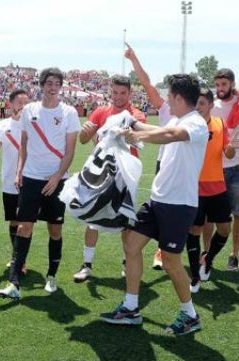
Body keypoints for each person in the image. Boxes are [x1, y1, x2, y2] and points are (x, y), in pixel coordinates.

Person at [101, 74, 208, 336]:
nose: (167, 100)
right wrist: (133, 123)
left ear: (180, 98)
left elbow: (170, 135)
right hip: (158, 200)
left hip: (178, 205)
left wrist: (136, 134)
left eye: (170, 96)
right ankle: (130, 307)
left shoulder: (195, 123)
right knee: (131, 243)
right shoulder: (177, 118)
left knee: (171, 262)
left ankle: (190, 315)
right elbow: (157, 129)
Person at [0, 67, 80, 299]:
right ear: (42, 86)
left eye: (57, 83)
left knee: (55, 230)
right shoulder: (29, 110)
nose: (53, 87)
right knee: (24, 227)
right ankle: (13, 282)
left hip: (57, 179)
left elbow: (70, 150)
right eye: (49, 83)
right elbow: (23, 143)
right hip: (31, 178)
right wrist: (20, 170)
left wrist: (57, 176)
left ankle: (51, 276)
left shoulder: (69, 112)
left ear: (60, 87)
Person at [73, 75, 146, 282]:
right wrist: (86, 132)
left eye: (123, 93)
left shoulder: (136, 115)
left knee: (125, 219)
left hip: (125, 175)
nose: (118, 97)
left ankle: (126, 263)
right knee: (92, 218)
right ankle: (86, 265)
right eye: (115, 92)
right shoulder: (101, 111)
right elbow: (84, 139)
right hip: (101, 174)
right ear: (110, 92)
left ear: (130, 93)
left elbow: (135, 138)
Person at [125, 42, 173, 270]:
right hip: (164, 163)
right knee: (161, 206)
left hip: (188, 167)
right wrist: (134, 59)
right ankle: (161, 251)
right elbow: (146, 83)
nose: (169, 95)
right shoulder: (165, 108)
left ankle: (181, 253)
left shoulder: (195, 114)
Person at [186, 88, 234, 293]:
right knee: (194, 230)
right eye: (195, 103)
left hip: (217, 186)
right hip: (194, 187)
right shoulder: (188, 126)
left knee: (224, 229)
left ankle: (208, 259)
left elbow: (228, 154)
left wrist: (233, 147)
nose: (197, 107)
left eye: (202, 103)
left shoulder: (220, 124)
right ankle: (195, 275)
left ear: (211, 106)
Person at [0, 89, 30, 271]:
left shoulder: (34, 124)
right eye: (20, 102)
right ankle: (16, 255)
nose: (23, 106)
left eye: (26, 102)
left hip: (29, 179)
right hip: (9, 179)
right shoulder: (3, 124)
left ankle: (21, 260)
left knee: (25, 221)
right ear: (11, 104)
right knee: (13, 221)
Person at [209, 69, 239, 272]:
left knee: (238, 215)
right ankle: (206, 254)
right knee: (209, 216)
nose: (220, 89)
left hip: (237, 168)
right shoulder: (214, 107)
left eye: (224, 85)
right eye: (218, 85)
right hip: (215, 169)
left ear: (232, 84)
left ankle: (234, 254)